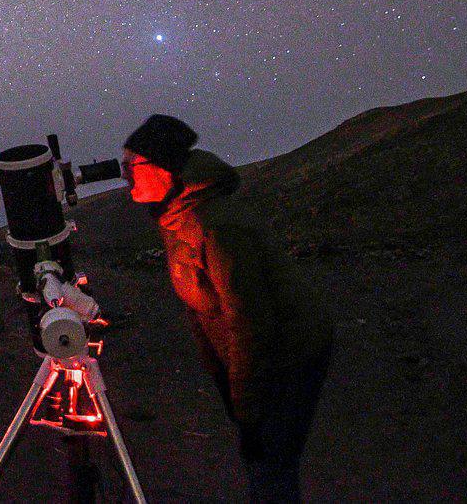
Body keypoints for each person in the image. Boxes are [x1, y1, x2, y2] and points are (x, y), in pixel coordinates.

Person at [122, 115, 333, 503]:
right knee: (263, 460)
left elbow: (250, 323)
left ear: (163, 169)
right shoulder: (176, 215)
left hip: (290, 353)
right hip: (256, 353)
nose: (124, 175)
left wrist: (248, 409)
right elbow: (203, 308)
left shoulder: (215, 226)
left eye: (131, 165)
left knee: (270, 464)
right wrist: (221, 376)